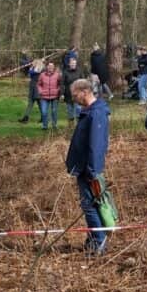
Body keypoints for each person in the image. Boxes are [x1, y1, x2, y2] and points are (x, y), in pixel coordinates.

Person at [66, 78, 111, 255]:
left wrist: (92, 170)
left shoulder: (96, 114)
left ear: (84, 92)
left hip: (89, 169)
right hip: (83, 166)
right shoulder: (89, 112)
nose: (73, 98)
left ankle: (99, 242)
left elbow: (96, 144)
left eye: (74, 95)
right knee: (91, 205)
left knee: (90, 206)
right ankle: (93, 239)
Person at [37, 61, 62, 131]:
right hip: (44, 96)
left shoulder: (57, 75)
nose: (51, 67)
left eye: (52, 66)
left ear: (54, 67)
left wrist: (58, 90)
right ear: (47, 67)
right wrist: (40, 91)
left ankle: (54, 125)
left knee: (54, 111)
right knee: (44, 112)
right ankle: (45, 126)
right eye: (49, 66)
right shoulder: (42, 75)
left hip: (55, 96)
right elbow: (39, 84)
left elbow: (60, 84)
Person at [62, 57, 85, 130]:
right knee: (70, 111)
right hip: (68, 94)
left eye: (74, 63)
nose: (73, 65)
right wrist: (62, 93)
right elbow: (62, 83)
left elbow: (83, 81)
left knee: (78, 109)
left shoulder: (79, 71)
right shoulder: (65, 72)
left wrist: (83, 91)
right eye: (72, 63)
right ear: (69, 64)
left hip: (78, 94)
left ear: (76, 64)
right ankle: (71, 126)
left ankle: (79, 125)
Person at [19, 58, 43, 123]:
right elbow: (25, 62)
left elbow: (31, 72)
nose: (32, 63)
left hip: (37, 90)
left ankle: (43, 117)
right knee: (30, 104)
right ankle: (25, 118)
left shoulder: (39, 70)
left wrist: (31, 67)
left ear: (37, 63)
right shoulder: (34, 69)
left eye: (34, 62)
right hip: (32, 89)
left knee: (40, 105)